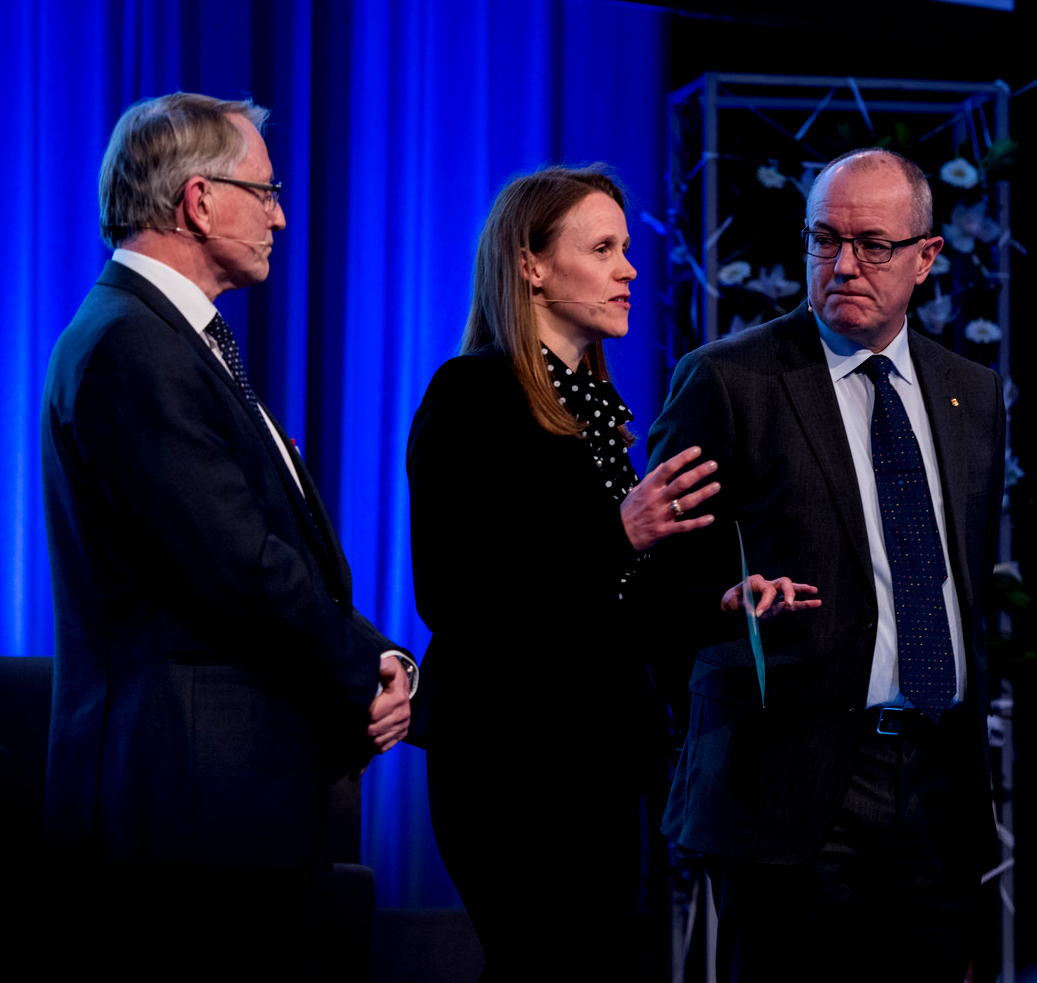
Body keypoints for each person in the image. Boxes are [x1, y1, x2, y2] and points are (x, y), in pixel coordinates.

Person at [40, 93, 415, 978]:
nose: (281, 213)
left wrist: (376, 655)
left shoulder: (169, 338)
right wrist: (367, 668)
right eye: (266, 189)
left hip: (222, 807)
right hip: (187, 816)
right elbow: (234, 564)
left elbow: (256, 548)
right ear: (200, 201)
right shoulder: (134, 347)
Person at [645, 148, 1006, 982]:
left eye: (873, 244)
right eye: (824, 239)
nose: (843, 264)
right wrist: (724, 608)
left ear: (927, 256)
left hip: (936, 785)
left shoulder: (971, 392)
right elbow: (656, 587)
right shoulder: (729, 381)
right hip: (786, 788)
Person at [407, 165, 769, 976]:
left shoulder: (592, 410)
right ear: (530, 265)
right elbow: (453, 592)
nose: (628, 269)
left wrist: (723, 602)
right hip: (511, 756)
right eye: (602, 248)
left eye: (626, 248)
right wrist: (619, 532)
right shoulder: (470, 394)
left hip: (599, 753)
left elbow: (612, 609)